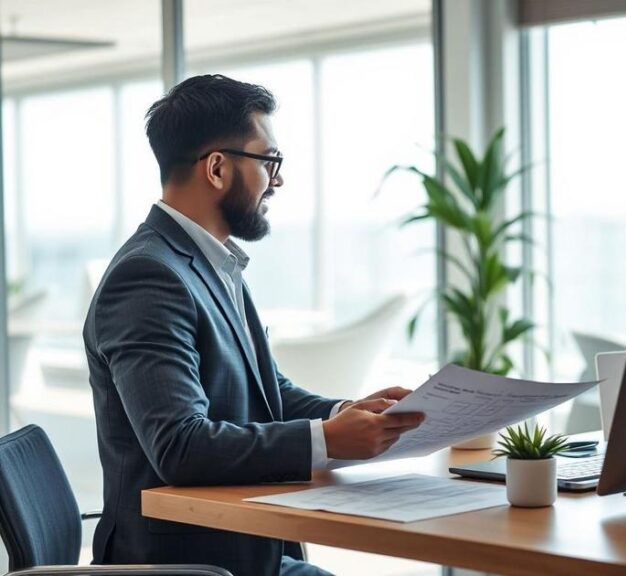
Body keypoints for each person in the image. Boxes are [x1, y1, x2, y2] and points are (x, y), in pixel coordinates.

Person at [83, 74, 425, 576]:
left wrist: (347, 412)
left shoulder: (211, 264)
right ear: (218, 168)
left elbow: (267, 392)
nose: (278, 179)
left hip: (250, 545)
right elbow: (180, 446)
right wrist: (328, 440)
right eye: (270, 161)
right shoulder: (148, 277)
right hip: (189, 562)